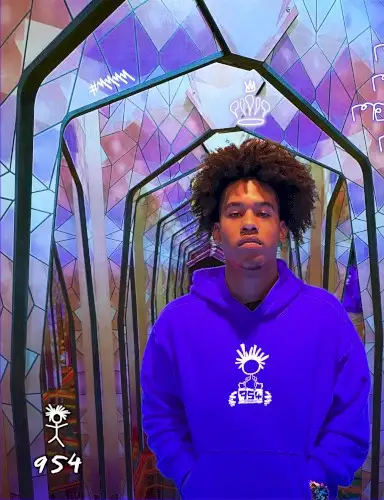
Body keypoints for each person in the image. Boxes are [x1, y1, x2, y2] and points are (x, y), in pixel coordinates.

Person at [140, 138, 371, 499]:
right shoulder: (176, 323)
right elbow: (161, 413)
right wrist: (189, 475)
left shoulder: (326, 316)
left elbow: (351, 411)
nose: (249, 223)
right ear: (217, 231)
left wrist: (317, 480)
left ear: (282, 228)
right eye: (235, 213)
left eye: (263, 213)